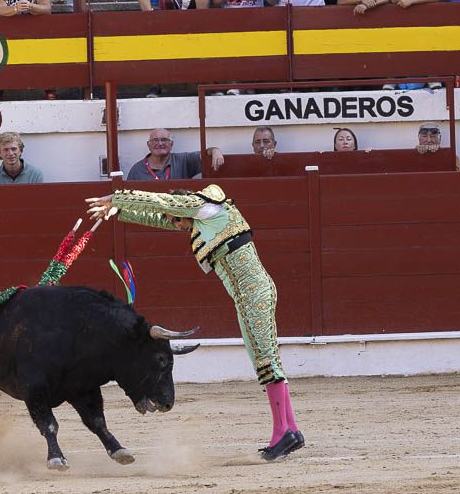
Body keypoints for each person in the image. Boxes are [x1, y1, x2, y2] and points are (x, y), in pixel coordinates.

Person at [85, 185, 306, 463]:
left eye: (177, 218)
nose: (177, 225)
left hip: (253, 294)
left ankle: (282, 433)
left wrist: (115, 196)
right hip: (250, 293)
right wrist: (119, 211)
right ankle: (291, 430)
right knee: (266, 360)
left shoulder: (205, 206)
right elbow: (159, 215)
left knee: (265, 362)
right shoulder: (202, 219)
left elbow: (163, 201)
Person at [125, 127, 224, 180]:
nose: (160, 143)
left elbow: (205, 153)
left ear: (171, 144)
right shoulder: (137, 170)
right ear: (148, 145)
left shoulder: (183, 160)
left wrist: (215, 150)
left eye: (164, 140)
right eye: (155, 140)